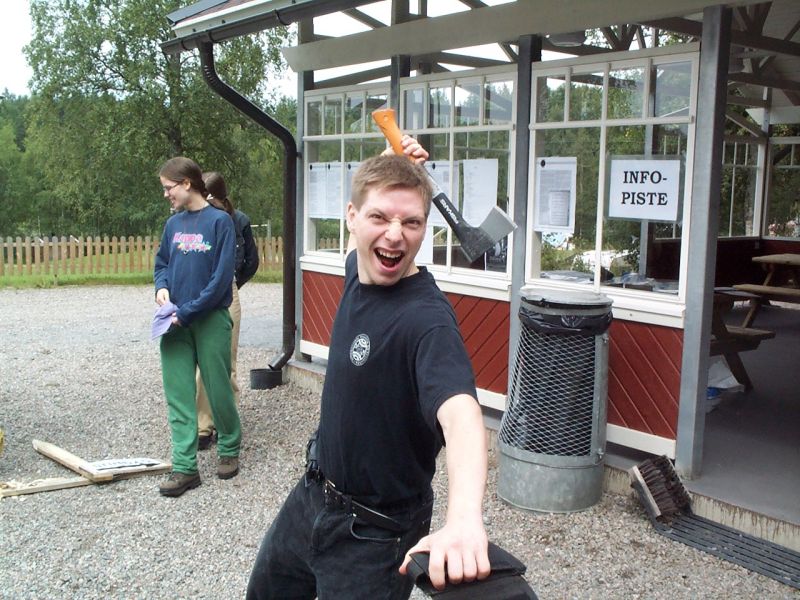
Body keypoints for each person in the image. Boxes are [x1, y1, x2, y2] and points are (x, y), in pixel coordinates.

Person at [245, 138, 491, 599]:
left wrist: (463, 519)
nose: (395, 235)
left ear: (425, 228)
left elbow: (461, 417)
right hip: (312, 495)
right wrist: (391, 159)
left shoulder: (428, 322)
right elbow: (367, 228)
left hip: (376, 535)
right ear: (352, 217)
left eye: (411, 222)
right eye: (379, 217)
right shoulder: (357, 272)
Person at [153, 157, 242, 497]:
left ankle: (229, 447)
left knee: (217, 388)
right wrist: (161, 288)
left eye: (169, 188)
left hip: (209, 320)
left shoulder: (220, 222)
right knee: (178, 394)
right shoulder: (172, 225)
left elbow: (220, 281)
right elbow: (162, 263)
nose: (166, 194)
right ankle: (185, 468)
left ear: (187, 184)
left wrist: (187, 312)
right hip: (174, 323)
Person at [195, 171, 260, 450]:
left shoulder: (239, 221)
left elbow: (251, 261)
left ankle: (226, 423)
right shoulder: (194, 220)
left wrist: (233, 285)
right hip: (200, 292)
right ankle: (203, 425)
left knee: (227, 361)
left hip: (227, 292)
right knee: (203, 363)